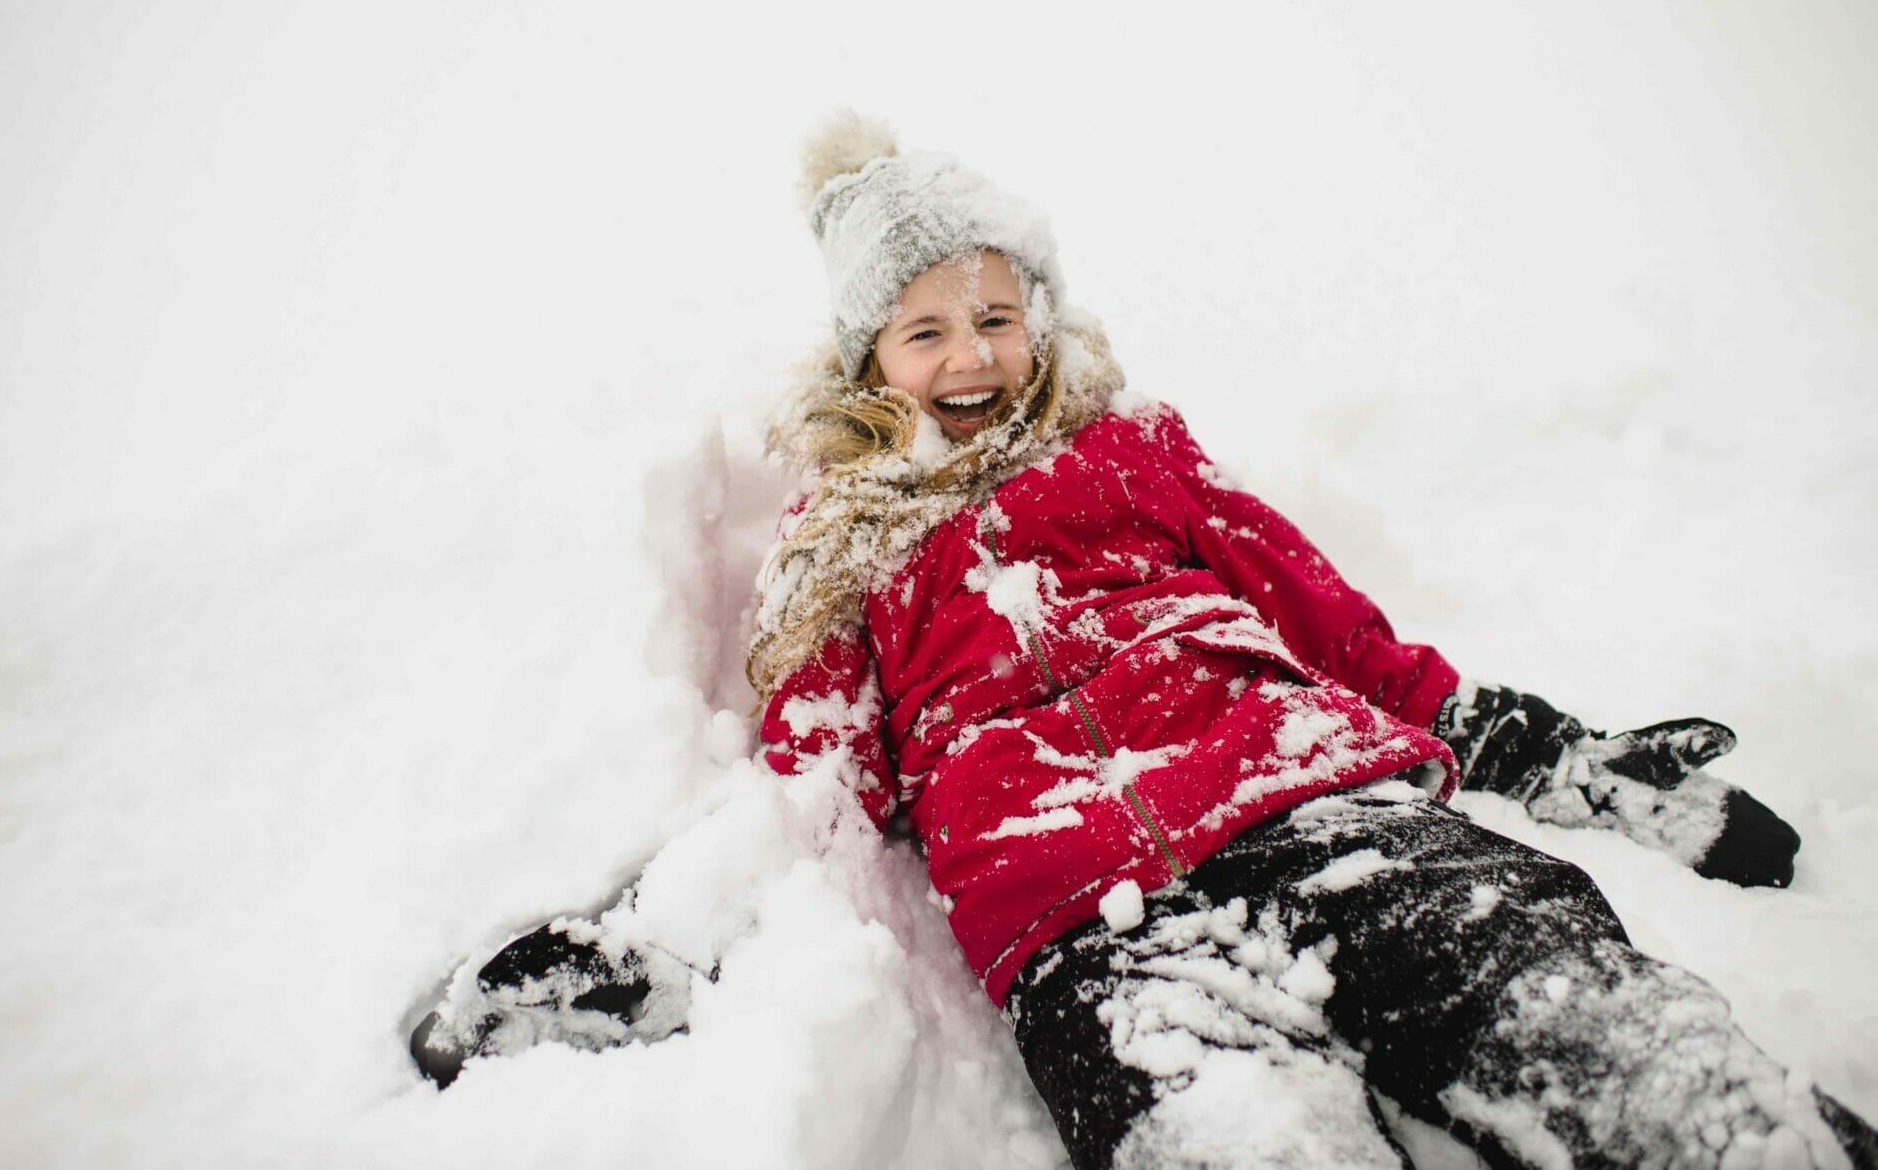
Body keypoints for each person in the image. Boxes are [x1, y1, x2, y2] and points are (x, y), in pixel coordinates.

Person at [410, 114, 1876, 1169]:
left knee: (1640, 1068)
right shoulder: (843, 549)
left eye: (997, 313)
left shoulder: (1131, 451)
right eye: (923, 331)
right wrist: (663, 936)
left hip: (1329, 817)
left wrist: (1549, 750)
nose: (971, 355)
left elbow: (1329, 621)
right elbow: (817, 784)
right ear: (866, 362)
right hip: (1092, 944)